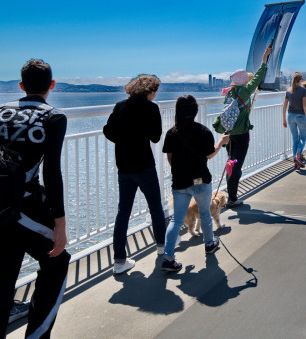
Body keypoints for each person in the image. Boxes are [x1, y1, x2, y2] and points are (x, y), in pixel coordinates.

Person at [0, 59, 69, 339]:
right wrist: (60, 223)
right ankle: (37, 334)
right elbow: (52, 172)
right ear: (52, 85)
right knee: (57, 260)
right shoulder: (53, 117)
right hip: (24, 207)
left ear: (21, 86)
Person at [103, 74, 166, 274]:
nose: (156, 94)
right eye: (156, 91)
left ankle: (119, 261)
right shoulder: (151, 108)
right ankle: (162, 247)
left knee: (123, 213)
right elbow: (156, 137)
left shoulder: (120, 106)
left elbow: (108, 131)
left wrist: (123, 140)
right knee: (155, 207)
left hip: (124, 166)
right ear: (150, 91)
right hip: (144, 165)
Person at [160, 95, 230, 272]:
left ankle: (168, 257)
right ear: (195, 111)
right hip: (199, 180)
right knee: (205, 213)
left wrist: (180, 172)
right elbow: (209, 154)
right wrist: (221, 141)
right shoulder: (203, 131)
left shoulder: (171, 133)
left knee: (176, 220)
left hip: (180, 182)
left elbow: (170, 157)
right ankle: (209, 244)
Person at [213, 44, 272, 208]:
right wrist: (264, 58)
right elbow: (258, 77)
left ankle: (230, 194)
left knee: (231, 163)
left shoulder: (229, 92)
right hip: (241, 135)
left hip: (228, 135)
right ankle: (232, 198)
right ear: (244, 80)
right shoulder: (245, 91)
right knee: (236, 166)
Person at [282, 73, 306, 169]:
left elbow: (284, 106)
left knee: (294, 139)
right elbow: (305, 106)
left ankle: (295, 163)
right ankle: (298, 155)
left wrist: (284, 119)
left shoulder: (288, 90)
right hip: (301, 116)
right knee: (303, 138)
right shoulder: (303, 90)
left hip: (290, 117)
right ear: (300, 80)